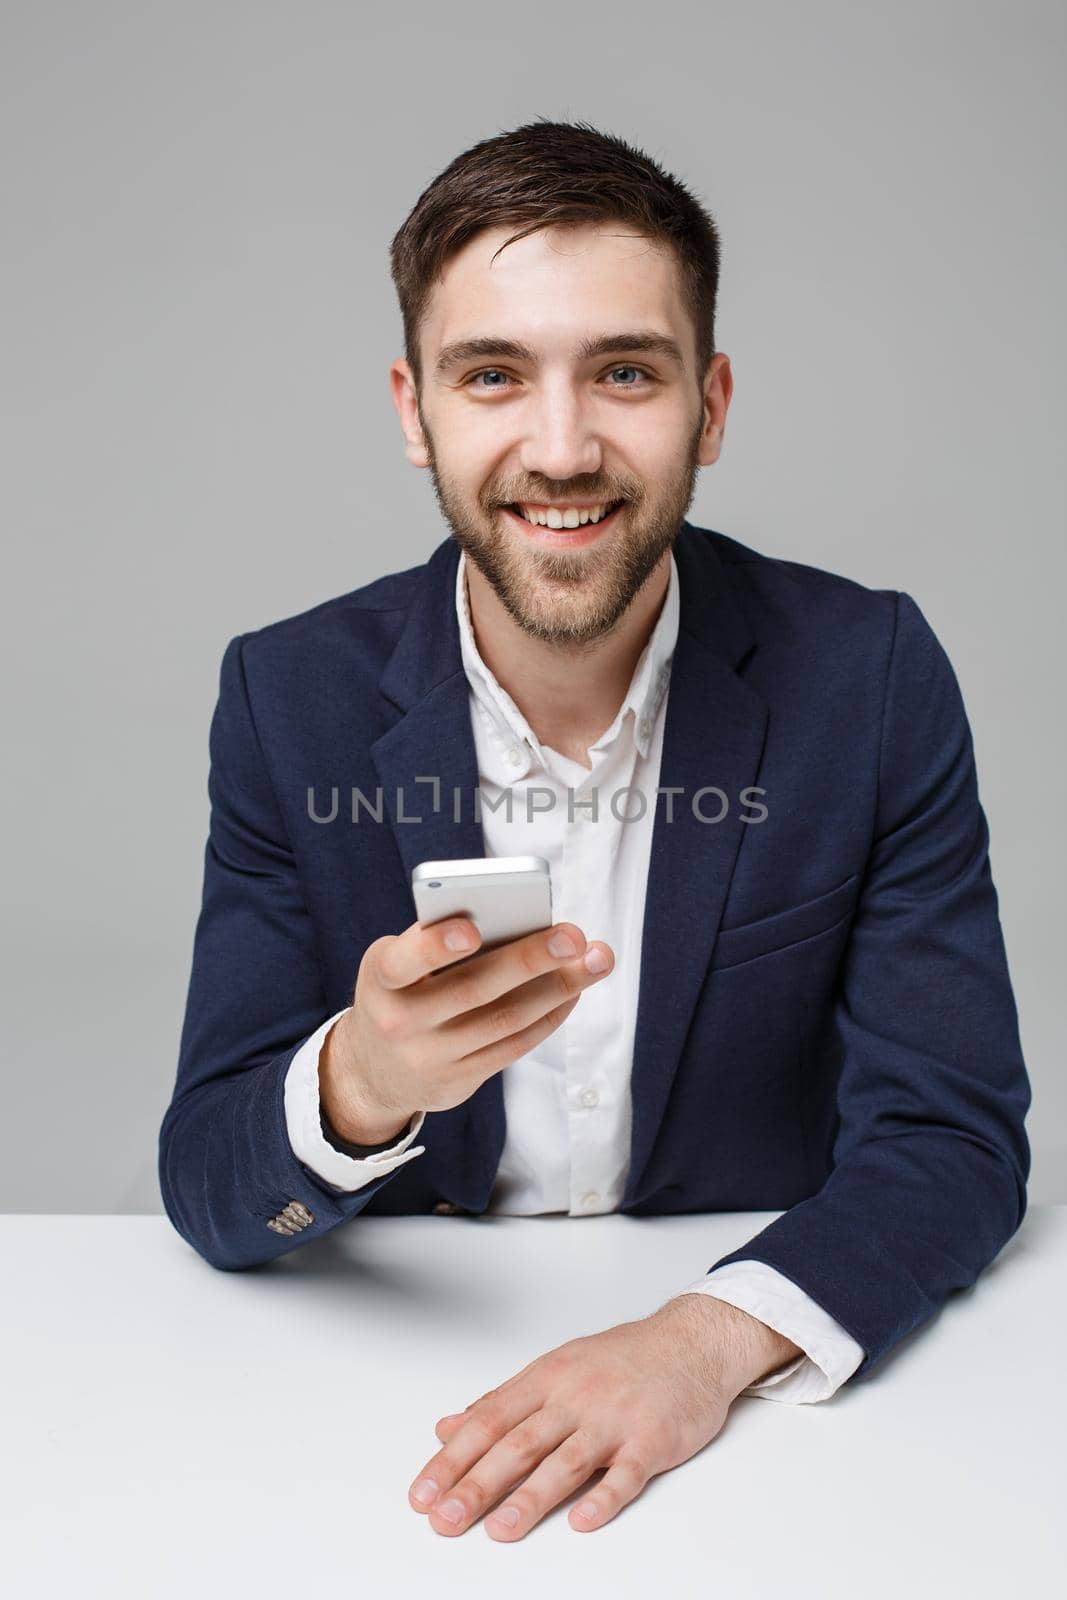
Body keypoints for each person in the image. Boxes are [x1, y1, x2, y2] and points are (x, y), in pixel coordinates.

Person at [159, 118, 1031, 1541]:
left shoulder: (868, 678)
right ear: (413, 410)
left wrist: (700, 1343)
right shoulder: (285, 697)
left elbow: (953, 1136)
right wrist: (362, 1080)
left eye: (625, 372)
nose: (561, 450)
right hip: (351, 1444)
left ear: (713, 402)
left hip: (807, 1472)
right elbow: (207, 1181)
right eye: (492, 375)